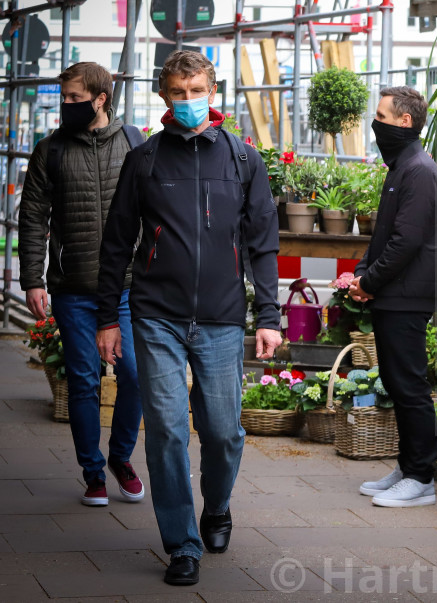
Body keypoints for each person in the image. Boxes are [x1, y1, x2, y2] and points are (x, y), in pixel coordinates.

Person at [95, 50, 283, 587]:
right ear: (163, 96)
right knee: (167, 431)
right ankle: (181, 543)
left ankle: (217, 506)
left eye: (196, 91)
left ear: (213, 91)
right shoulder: (146, 161)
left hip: (223, 317)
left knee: (223, 432)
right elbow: (116, 244)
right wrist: (109, 315)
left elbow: (263, 244)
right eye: (178, 93)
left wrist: (268, 314)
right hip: (156, 315)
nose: (188, 102)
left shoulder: (244, 161)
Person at [19, 62, 146, 507]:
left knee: (134, 374)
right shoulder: (50, 150)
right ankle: (93, 473)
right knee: (84, 380)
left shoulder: (134, 143)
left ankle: (120, 458)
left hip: (128, 288)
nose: (66, 106)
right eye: (64, 97)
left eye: (74, 98)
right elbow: (32, 217)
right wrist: (32, 279)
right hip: (72, 287)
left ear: (100, 99)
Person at [353, 86, 437, 508]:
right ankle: (408, 466)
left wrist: (368, 281)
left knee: (408, 385)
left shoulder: (419, 169)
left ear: (404, 121)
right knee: (396, 381)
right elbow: (385, 235)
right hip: (396, 293)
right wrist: (363, 275)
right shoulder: (403, 165)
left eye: (381, 116)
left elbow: (405, 242)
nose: (376, 124)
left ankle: (421, 476)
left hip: (407, 295)